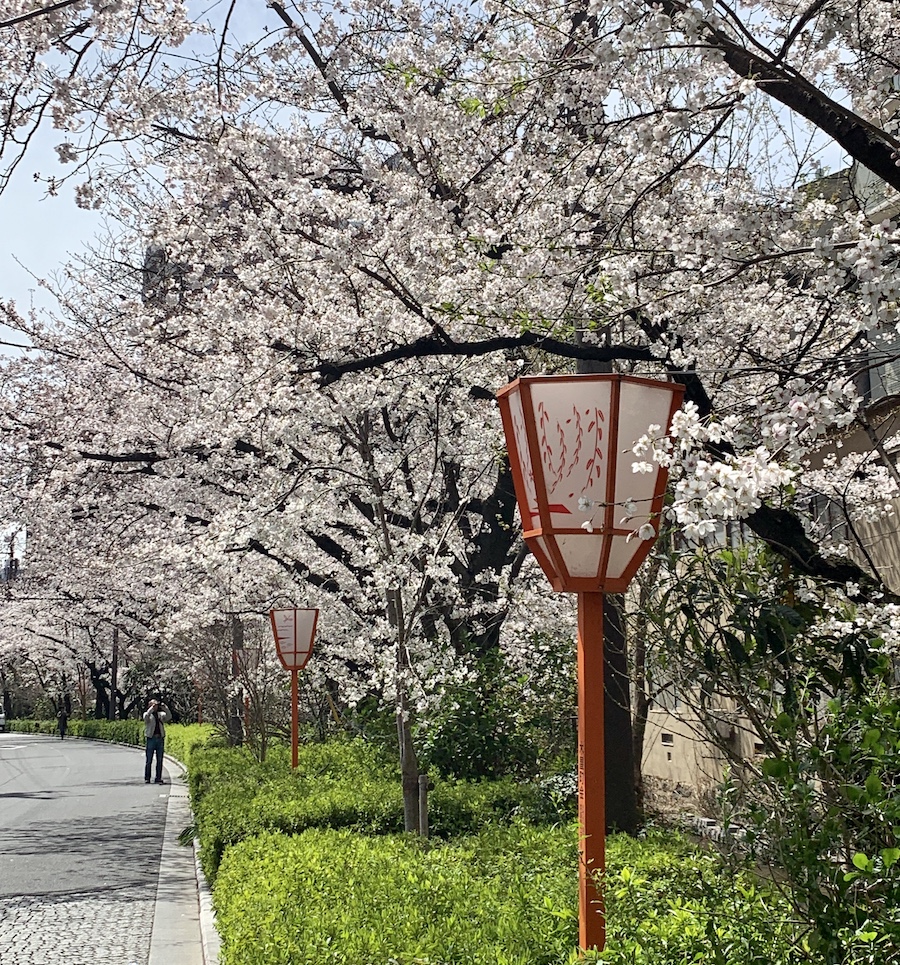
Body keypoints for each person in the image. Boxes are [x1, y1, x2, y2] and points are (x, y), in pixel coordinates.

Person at [143, 698, 169, 785]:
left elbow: (168, 717)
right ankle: (147, 778)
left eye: (156, 705)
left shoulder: (160, 714)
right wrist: (151, 709)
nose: (155, 707)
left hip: (160, 738)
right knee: (149, 760)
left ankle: (158, 778)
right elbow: (146, 717)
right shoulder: (148, 715)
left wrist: (165, 708)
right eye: (154, 705)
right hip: (151, 738)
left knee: (160, 759)